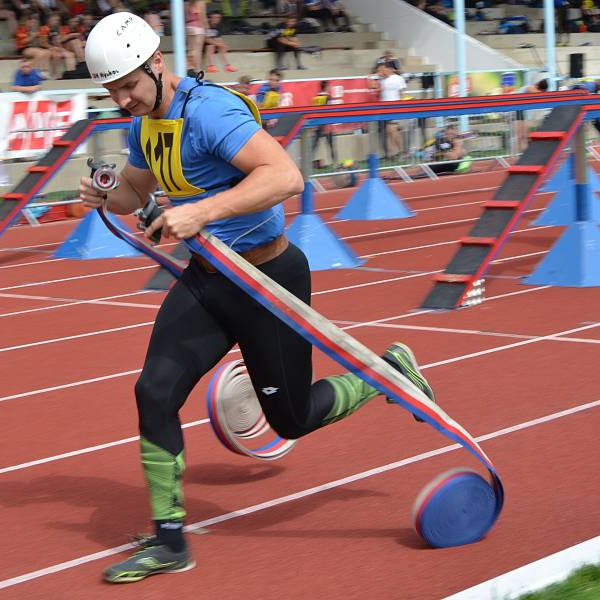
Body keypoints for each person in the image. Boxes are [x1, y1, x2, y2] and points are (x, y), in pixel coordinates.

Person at [79, 12, 436, 584]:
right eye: (111, 90)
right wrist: (104, 193)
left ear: (156, 64)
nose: (122, 99)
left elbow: (285, 177)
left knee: (290, 421)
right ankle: (171, 543)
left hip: (268, 282)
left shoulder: (210, 111)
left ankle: (385, 372)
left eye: (128, 85)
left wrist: (200, 212)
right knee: (154, 391)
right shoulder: (144, 124)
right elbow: (134, 193)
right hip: (209, 279)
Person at [375, 61, 406, 160]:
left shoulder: (398, 79)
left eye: (385, 69)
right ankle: (390, 154)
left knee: (392, 130)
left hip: (394, 108)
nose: (383, 71)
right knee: (386, 132)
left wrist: (400, 107)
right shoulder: (381, 80)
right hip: (383, 108)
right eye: (382, 69)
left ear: (390, 69)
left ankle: (401, 151)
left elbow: (401, 93)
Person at [310, 79, 337, 169]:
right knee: (331, 145)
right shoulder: (327, 97)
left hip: (318, 123)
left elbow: (314, 111)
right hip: (325, 124)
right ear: (326, 87)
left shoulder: (316, 97)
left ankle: (308, 163)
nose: (330, 88)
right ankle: (335, 163)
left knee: (314, 145)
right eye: (329, 86)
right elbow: (328, 111)